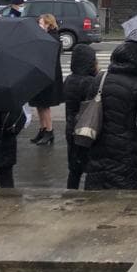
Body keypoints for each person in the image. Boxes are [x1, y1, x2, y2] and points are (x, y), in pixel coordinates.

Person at [85, 42, 137, 190]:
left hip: (99, 143)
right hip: (125, 148)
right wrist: (135, 136)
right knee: (124, 189)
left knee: (97, 189)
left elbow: (87, 107)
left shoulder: (100, 79)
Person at [63, 44, 98, 189]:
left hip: (71, 127)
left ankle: (70, 193)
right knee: (90, 167)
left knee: (74, 168)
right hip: (86, 128)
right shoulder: (89, 82)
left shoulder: (69, 79)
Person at [30, 14, 64, 146]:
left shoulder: (52, 38)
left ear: (49, 24)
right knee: (39, 105)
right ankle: (42, 129)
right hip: (41, 75)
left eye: (41, 23)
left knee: (45, 105)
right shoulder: (44, 36)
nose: (39, 26)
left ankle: (49, 131)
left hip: (48, 76)